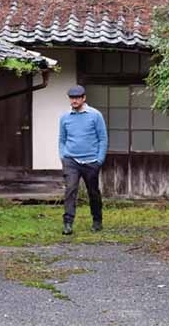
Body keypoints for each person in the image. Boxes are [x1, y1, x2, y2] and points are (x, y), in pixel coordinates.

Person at [58, 85, 108, 235]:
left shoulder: (95, 115)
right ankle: (68, 223)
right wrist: (63, 156)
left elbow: (103, 139)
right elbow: (62, 139)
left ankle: (97, 220)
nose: (74, 100)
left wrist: (99, 159)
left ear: (84, 98)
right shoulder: (65, 117)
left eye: (77, 97)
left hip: (91, 160)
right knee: (70, 190)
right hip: (71, 160)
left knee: (93, 192)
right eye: (71, 98)